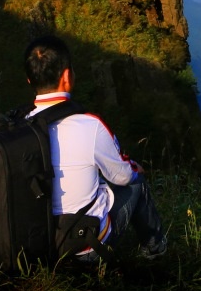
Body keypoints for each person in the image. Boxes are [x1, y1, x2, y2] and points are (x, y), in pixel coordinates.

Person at [23, 35, 166, 261]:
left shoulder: (20, 128)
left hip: (37, 245)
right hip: (83, 246)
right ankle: (155, 252)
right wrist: (135, 169)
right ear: (67, 77)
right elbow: (122, 177)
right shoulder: (90, 125)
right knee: (136, 180)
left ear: (29, 80)